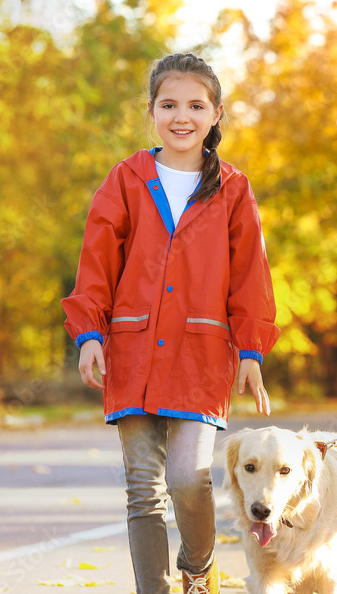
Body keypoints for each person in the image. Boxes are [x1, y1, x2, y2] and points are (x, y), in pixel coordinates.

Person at [61, 53, 280, 594]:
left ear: (216, 113)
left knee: (188, 478)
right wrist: (89, 334)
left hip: (201, 355)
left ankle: (199, 565)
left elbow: (251, 275)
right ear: (152, 111)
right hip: (130, 350)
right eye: (169, 104)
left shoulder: (232, 187)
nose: (182, 116)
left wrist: (250, 351)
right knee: (142, 487)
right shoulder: (127, 178)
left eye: (195, 105)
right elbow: (96, 263)